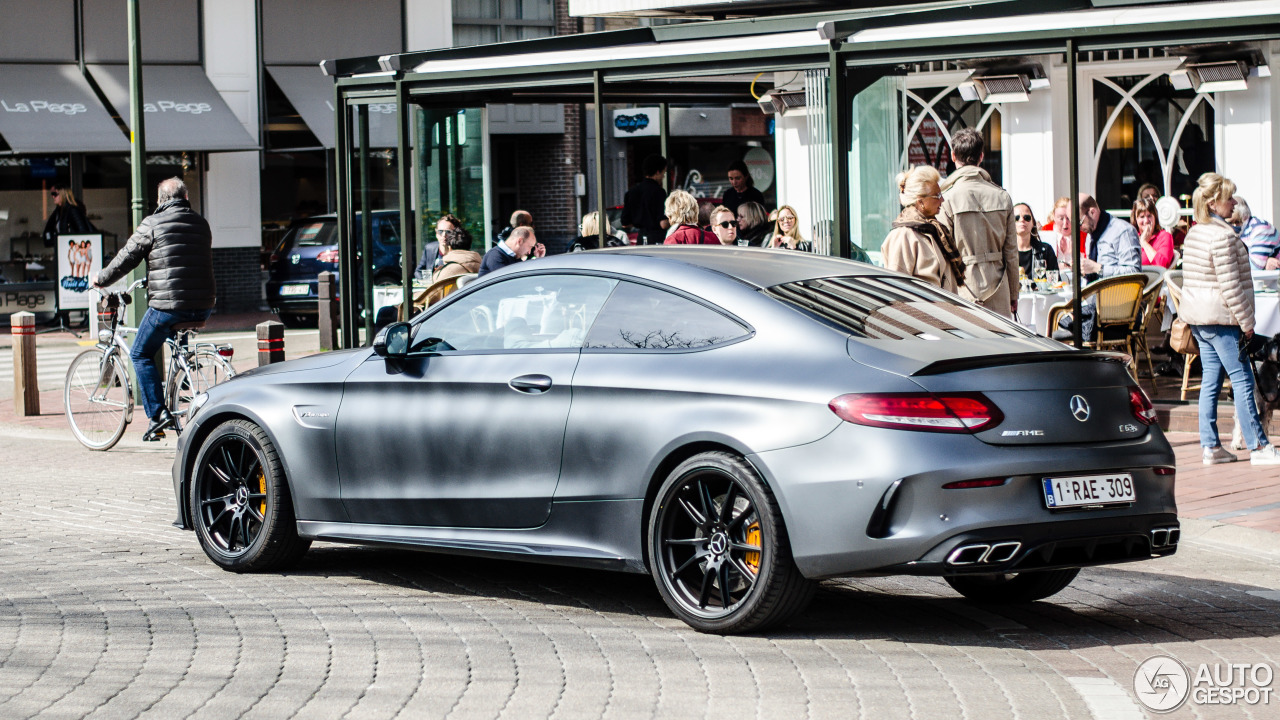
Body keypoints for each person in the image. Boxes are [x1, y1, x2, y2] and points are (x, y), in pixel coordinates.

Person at [93, 178, 214, 442]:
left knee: (140, 353)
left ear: (160, 200)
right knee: (170, 339)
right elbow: (184, 259)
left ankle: (157, 416)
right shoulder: (201, 224)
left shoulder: (153, 223)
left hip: (169, 305)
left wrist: (100, 279)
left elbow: (127, 256)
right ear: (185, 197)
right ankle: (180, 383)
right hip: (204, 305)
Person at [1180, 172, 1280, 465]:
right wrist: (1247, 323)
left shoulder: (1197, 231)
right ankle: (1259, 446)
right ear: (1213, 202)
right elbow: (1231, 286)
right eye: (1228, 198)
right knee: (1243, 379)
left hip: (1200, 318)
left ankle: (1211, 446)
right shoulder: (1222, 235)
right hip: (1221, 319)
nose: (1233, 202)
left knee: (1211, 380)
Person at [936, 128, 1018, 317]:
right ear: (981, 156)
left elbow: (943, 253)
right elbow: (1011, 252)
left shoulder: (946, 199)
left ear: (953, 155)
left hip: (962, 287)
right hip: (999, 285)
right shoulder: (1002, 196)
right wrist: (1013, 293)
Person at [882, 166, 965, 294]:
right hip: (926, 312)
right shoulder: (903, 235)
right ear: (921, 201)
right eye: (937, 195)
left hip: (944, 311)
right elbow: (896, 290)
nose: (942, 200)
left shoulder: (933, 229)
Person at [1078, 193, 1142, 283]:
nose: (1079, 228)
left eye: (1080, 223)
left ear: (1092, 212)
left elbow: (1134, 273)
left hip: (1118, 294)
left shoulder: (1123, 231)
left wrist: (1097, 268)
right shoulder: (1091, 235)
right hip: (1094, 294)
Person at [621, 154, 669, 245]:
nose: (663, 176)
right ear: (657, 172)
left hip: (640, 239)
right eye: (664, 172)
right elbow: (663, 224)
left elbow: (625, 223)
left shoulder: (631, 192)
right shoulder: (659, 192)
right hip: (657, 239)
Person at [1231, 195, 1280, 270]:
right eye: (1229, 223)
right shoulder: (1241, 230)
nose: (1233, 226)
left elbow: (1255, 267)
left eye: (1237, 222)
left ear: (1245, 216)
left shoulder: (1260, 228)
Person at [478, 225, 544, 277]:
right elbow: (509, 282)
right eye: (530, 247)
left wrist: (538, 259)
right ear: (520, 241)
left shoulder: (513, 256)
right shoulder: (495, 256)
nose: (529, 252)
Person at [1014, 203, 1058, 278]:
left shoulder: (1046, 250)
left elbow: (1055, 281)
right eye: (1016, 218)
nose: (1022, 220)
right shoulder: (1005, 252)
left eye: (1026, 217)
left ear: (1033, 223)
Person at [414, 213, 463, 280]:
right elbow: (418, 271)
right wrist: (426, 282)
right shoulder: (429, 248)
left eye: (448, 232)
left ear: (456, 234)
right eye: (440, 231)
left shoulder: (460, 252)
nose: (443, 235)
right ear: (436, 233)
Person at [1131, 197, 1175, 268]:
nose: (1146, 221)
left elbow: (1162, 265)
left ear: (1155, 217)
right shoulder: (1132, 239)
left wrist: (1144, 243)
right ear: (1136, 220)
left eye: (1149, 216)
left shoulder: (1164, 236)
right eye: (1142, 217)